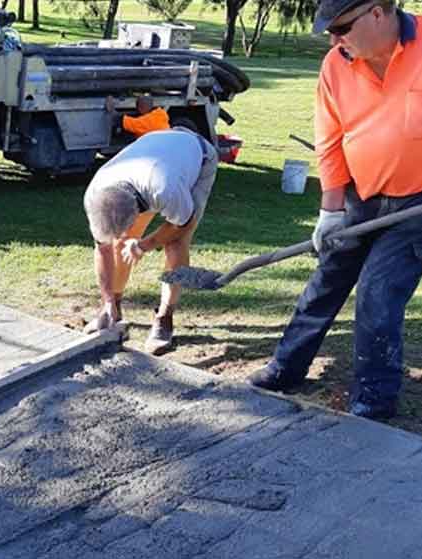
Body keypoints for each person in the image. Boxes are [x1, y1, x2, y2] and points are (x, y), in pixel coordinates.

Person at [248, 0, 422, 420]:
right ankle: (286, 367)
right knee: (327, 280)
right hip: (359, 198)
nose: (333, 40)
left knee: (378, 294)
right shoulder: (336, 64)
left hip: (415, 208)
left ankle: (373, 399)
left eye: (341, 28)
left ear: (377, 14)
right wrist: (330, 210)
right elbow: (329, 138)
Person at [83, 127, 218, 355]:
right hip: (155, 153)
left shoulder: (166, 189)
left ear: (137, 212)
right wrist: (107, 301)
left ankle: (165, 317)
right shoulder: (95, 194)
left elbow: (179, 225)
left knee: (175, 244)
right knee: (119, 243)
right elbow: (103, 249)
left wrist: (143, 245)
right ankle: (113, 307)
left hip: (199, 155)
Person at [105, 94, 170, 139]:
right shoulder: (160, 113)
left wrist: (111, 107)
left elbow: (119, 120)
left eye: (138, 106)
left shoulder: (144, 123)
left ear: (140, 108)